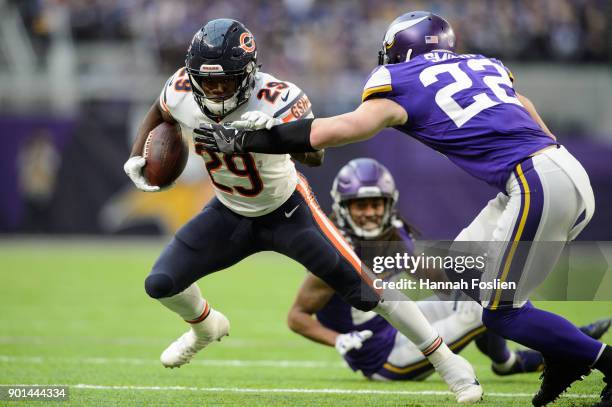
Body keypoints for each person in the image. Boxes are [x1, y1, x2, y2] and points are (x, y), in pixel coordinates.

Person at [196, 11, 611, 406]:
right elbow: (523, 105)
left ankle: (599, 360)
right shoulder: (483, 65)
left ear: (400, 50)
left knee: (502, 314)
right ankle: (561, 352)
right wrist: (550, 160)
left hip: (533, 181)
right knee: (461, 273)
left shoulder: (399, 79)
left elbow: (341, 129)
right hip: (552, 167)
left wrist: (256, 140)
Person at [123, 18, 482, 403]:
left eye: (225, 80)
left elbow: (315, 155)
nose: (214, 89)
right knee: (159, 284)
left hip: (287, 212)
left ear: (247, 73)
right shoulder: (180, 88)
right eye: (207, 81)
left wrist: (271, 137)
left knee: (368, 289)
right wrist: (137, 156)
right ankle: (205, 327)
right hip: (229, 211)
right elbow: (160, 113)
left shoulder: (278, 97)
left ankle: (448, 363)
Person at [288, 158, 610, 381]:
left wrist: (477, 270)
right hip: (382, 356)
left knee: (488, 288)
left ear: (390, 204)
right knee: (480, 309)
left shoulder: (394, 234)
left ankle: (512, 360)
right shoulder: (334, 254)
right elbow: (297, 316)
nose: (370, 213)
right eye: (361, 205)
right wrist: (339, 340)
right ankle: (561, 349)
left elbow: (431, 276)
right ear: (343, 208)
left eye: (376, 204)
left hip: (399, 324)